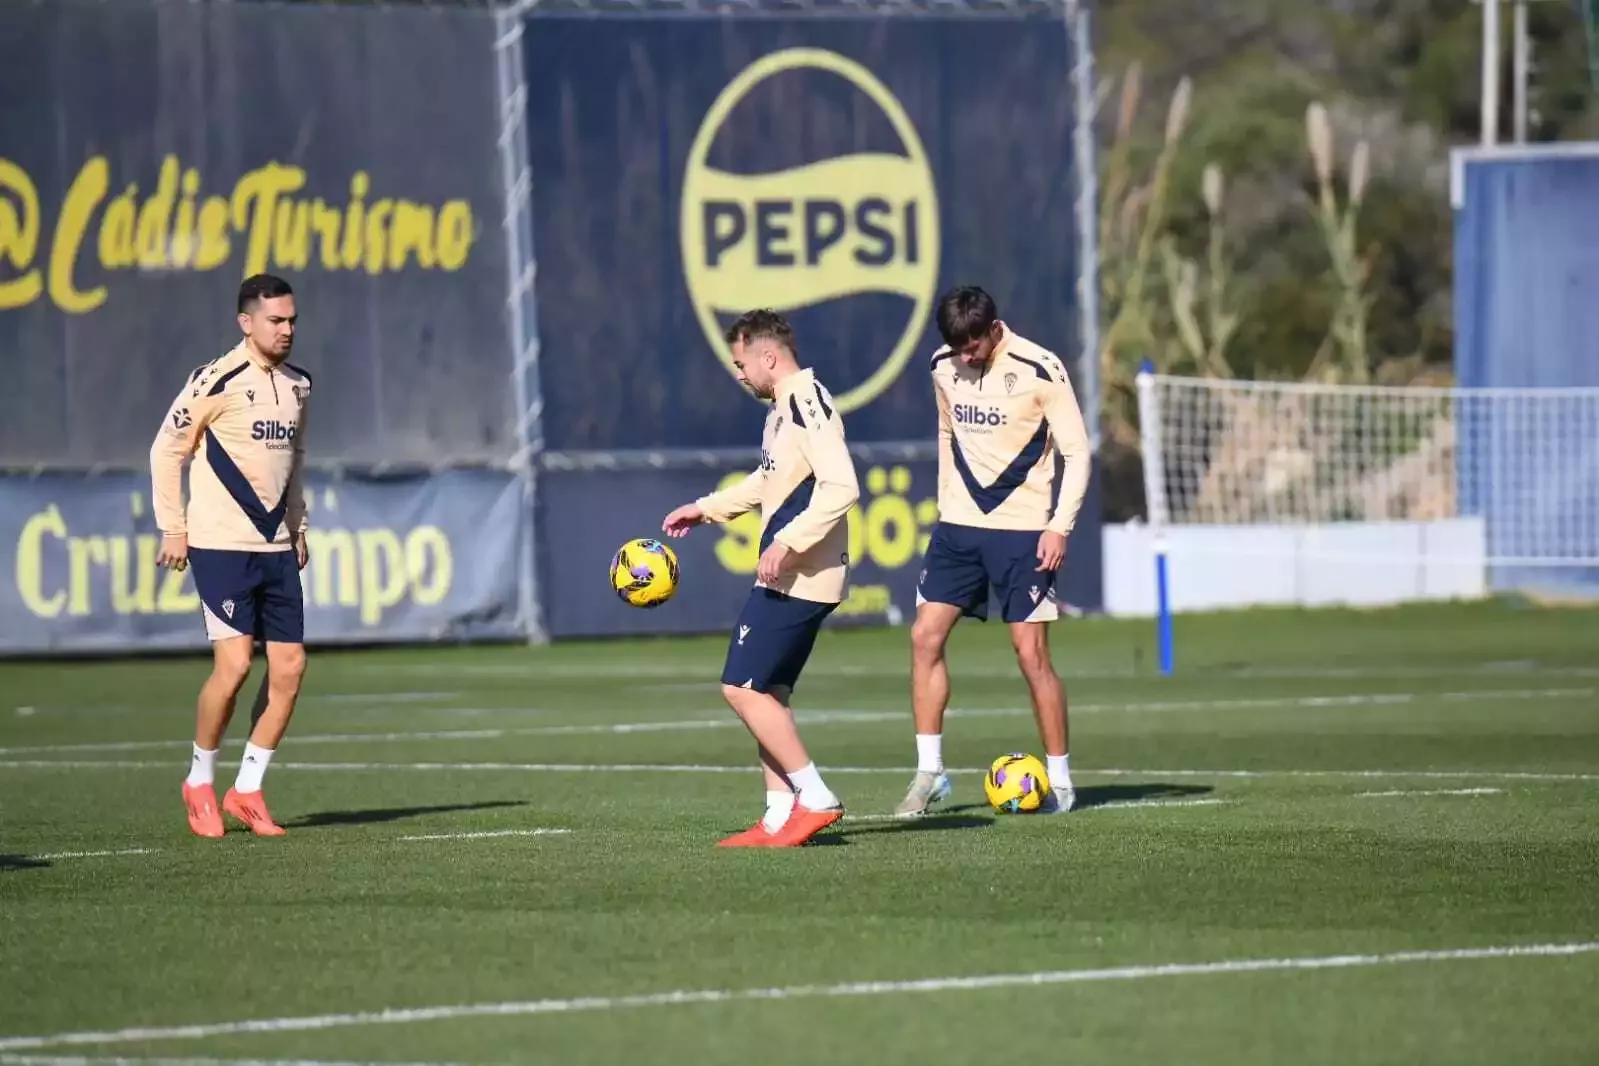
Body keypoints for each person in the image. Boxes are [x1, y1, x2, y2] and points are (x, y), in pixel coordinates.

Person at [662, 309, 860, 847]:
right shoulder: (783, 407)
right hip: (792, 573)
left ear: (767, 356)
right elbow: (765, 481)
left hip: (801, 575)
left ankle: (815, 797)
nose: (739, 374)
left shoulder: (807, 402)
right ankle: (777, 817)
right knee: (768, 692)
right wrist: (704, 509)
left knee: (739, 687)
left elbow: (842, 487)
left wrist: (788, 543)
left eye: (741, 362)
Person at [896, 286, 1092, 818]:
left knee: (1031, 657)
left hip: (1023, 532)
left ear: (994, 329)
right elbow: (946, 427)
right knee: (923, 637)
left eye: (973, 345)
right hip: (957, 529)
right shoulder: (942, 364)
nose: (965, 357)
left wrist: (1059, 527)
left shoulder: (1040, 368)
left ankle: (1061, 781)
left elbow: (1076, 452)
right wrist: (945, 500)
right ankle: (930, 773)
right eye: (956, 347)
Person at [151, 273, 313, 838]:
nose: (287, 329)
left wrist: (298, 526)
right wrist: (173, 528)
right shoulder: (216, 379)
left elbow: (294, 462)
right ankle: (199, 780)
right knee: (237, 666)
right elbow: (166, 450)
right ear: (246, 323)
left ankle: (247, 790)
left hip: (274, 549)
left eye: (291, 319)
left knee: (290, 668)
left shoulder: (299, 385)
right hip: (219, 545)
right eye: (276, 320)